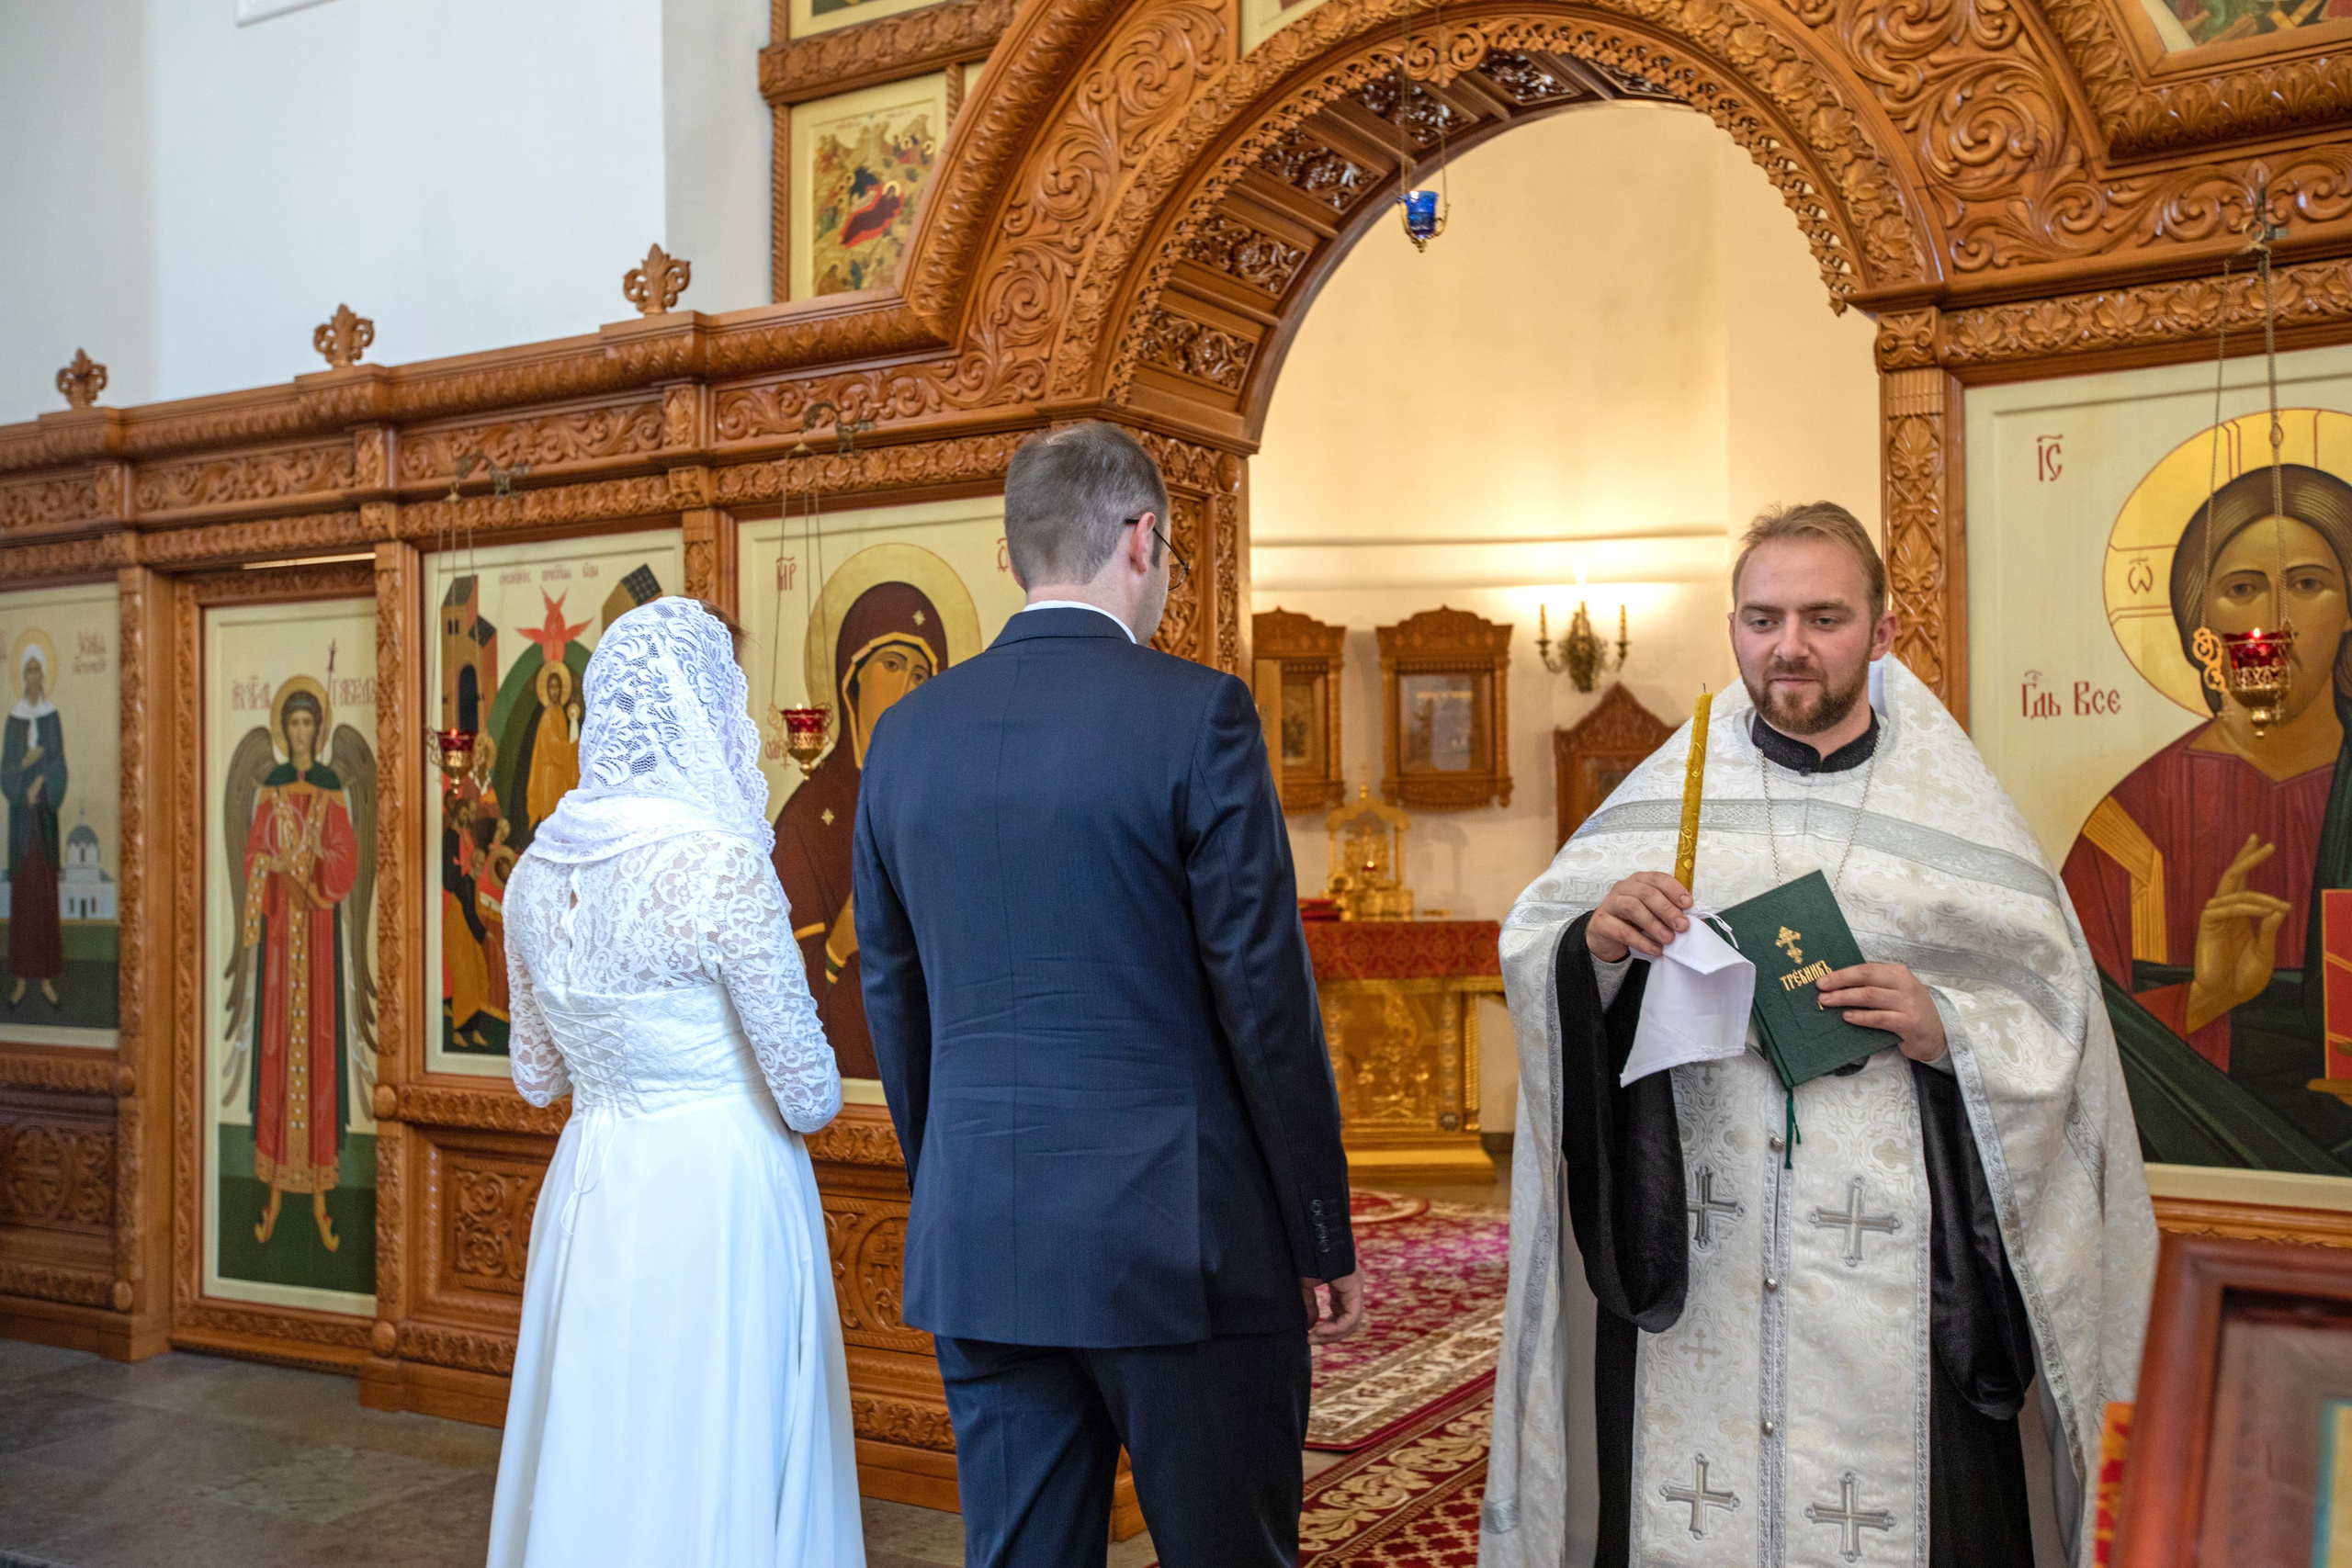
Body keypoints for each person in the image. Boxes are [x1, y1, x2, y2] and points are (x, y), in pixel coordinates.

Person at [1481, 503, 2157, 1568]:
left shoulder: (1956, 812)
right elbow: (1543, 955)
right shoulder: (1668, 795)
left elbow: (2057, 1020)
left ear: (1881, 632)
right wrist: (1597, 949)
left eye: (1822, 618)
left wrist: (1948, 1028)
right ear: (1734, 627)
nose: (1787, 645)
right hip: (1698, 1248)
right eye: (1762, 619)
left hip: (1898, 1270)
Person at [854, 422, 1364, 1568]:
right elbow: (1262, 1001)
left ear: (1013, 552)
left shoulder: (903, 736)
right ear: (1142, 539)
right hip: (1181, 1246)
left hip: (981, 1236)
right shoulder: (1199, 714)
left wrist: (959, 1181)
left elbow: (894, 996)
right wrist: (1319, 1229)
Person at [487, 597, 863, 1568]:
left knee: (600, 1436)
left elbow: (536, 1077)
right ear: (699, 711)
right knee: (711, 1440)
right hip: (717, 1195)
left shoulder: (535, 873)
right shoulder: (721, 867)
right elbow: (810, 1095)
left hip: (593, 1184)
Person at [2064, 463, 2352, 1167]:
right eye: (2243, 588)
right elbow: (2062, 1040)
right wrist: (2206, 996)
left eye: (2307, 584)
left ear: (2349, 609)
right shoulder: (2131, 822)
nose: (2275, 621)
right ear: (2202, 620)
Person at [773, 581, 946, 1077]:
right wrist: (836, 947)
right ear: (852, 681)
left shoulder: (944, 799)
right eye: (891, 665)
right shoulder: (806, 817)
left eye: (920, 674)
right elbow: (775, 990)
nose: (907, 687)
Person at [240, 684, 360, 1252]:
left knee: (318, 1043)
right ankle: (273, 1186)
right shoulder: (272, 788)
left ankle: (317, 1187)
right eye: (294, 724)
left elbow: (346, 855)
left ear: (319, 729)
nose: (302, 732)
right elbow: (253, 855)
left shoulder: (331, 787)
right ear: (283, 731)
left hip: (316, 932)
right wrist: (272, 863)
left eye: (310, 724)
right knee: (277, 1044)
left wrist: (316, 858)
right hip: (281, 938)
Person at [3, 640, 65, 1009]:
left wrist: (41, 781)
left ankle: (46, 980)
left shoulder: (51, 717)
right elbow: (6, 768)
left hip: (43, 821)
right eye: (27, 670)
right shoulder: (13, 719)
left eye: (37, 670)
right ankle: (21, 979)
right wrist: (23, 774)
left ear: (43, 676)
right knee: (23, 901)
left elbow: (59, 765)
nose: (32, 677)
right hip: (20, 824)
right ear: (22, 676)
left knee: (44, 900)